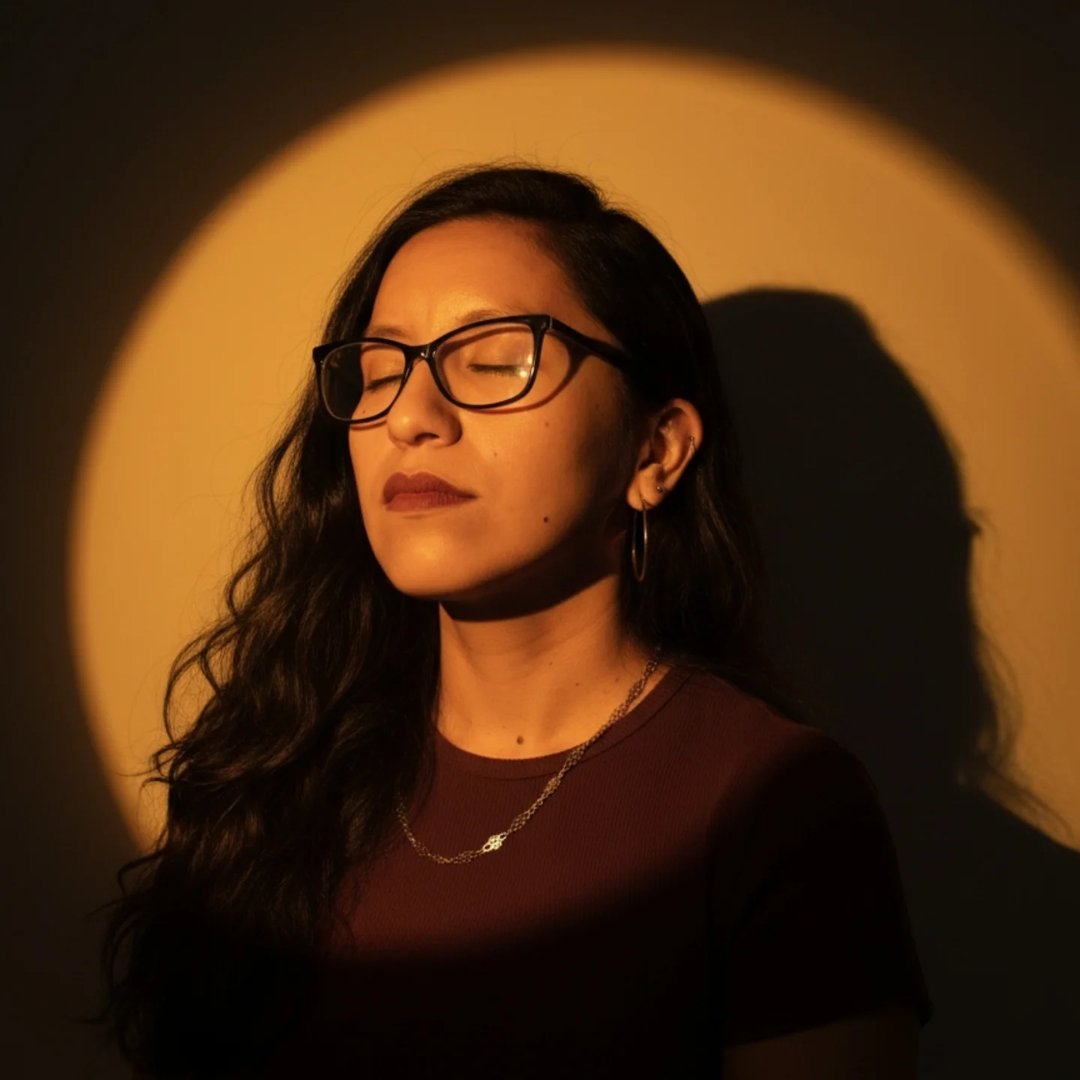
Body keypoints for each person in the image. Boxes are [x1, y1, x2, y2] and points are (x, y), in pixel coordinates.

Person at [103, 164, 933, 1077]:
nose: (411, 417)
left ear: (655, 451)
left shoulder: (773, 805)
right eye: (379, 370)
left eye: (495, 361)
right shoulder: (283, 767)